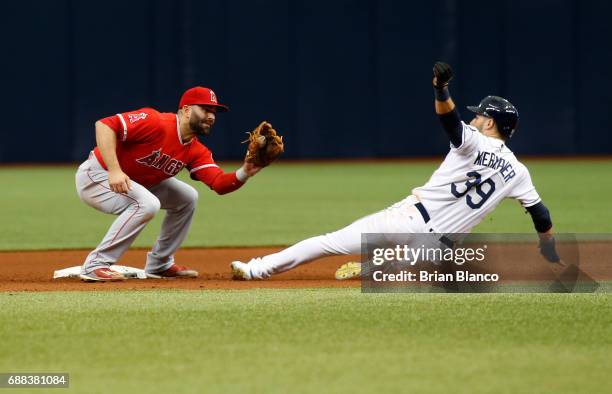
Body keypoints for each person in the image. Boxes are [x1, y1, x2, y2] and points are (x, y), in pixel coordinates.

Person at [230, 62, 560, 280]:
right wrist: (548, 248)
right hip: (436, 250)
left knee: (329, 243)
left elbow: (449, 122)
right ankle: (382, 266)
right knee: (406, 271)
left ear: (489, 122)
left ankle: (256, 270)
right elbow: (541, 215)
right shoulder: (518, 171)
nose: (473, 119)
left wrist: (440, 89)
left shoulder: (473, 139)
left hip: (408, 220)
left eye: (478, 116)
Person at [76, 86, 263, 281]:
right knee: (148, 203)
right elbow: (104, 125)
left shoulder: (196, 150)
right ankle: (95, 264)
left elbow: (219, 183)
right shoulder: (155, 122)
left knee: (187, 197)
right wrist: (114, 170)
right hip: (98, 175)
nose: (211, 116)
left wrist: (245, 172)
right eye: (206, 109)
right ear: (187, 110)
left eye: (214, 112)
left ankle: (160, 264)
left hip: (135, 182)